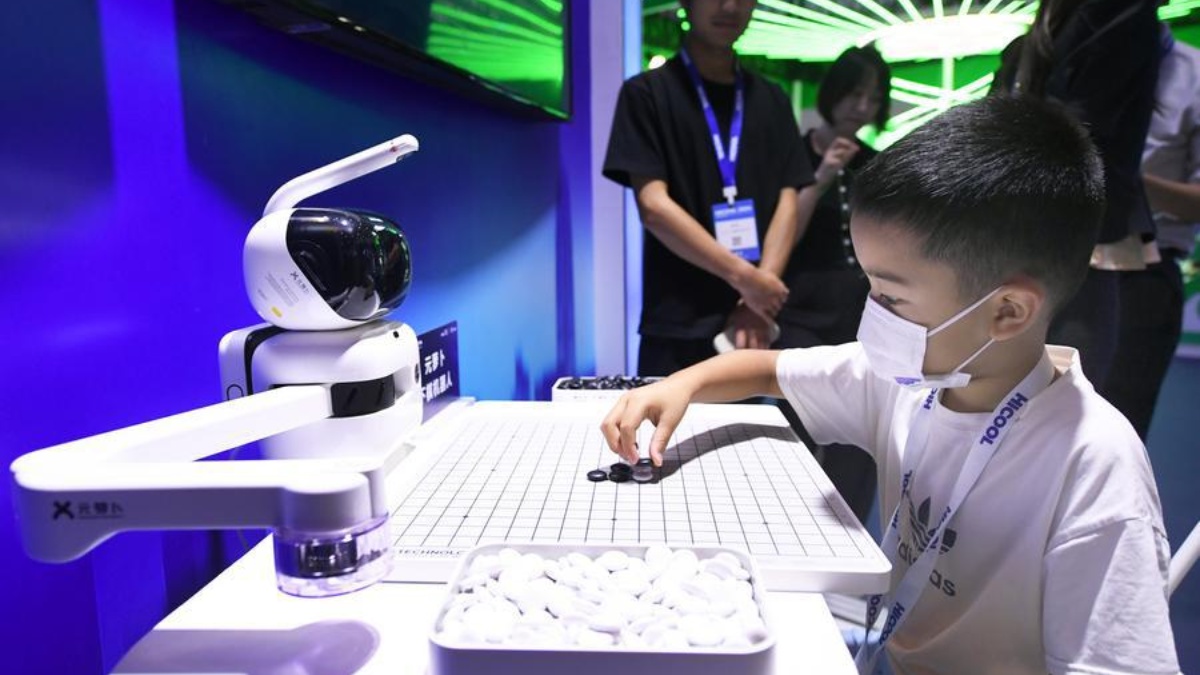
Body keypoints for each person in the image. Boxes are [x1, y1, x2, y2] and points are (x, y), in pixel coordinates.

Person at [600, 95, 1180, 674]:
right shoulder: (911, 379)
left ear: (1007, 312)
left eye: (891, 296)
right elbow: (768, 370)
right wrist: (679, 385)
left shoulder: (1095, 466)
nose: (873, 312)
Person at [603, 0, 812, 376]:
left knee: (757, 433)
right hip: (677, 320)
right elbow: (653, 206)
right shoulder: (646, 94)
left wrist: (757, 300)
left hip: (754, 323)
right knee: (663, 435)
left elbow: (788, 198)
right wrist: (747, 280)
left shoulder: (773, 99)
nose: (729, 6)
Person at [992, 0, 1162, 388]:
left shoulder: (1121, 13)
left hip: (1079, 234)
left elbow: (1081, 123)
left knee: (1061, 397)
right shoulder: (1038, 34)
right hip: (1028, 236)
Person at [774, 45, 891, 525]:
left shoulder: (878, 164)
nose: (861, 107)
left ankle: (849, 540)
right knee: (794, 427)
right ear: (833, 93)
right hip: (801, 310)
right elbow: (782, 238)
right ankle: (783, 531)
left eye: (873, 97)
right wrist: (820, 178)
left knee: (862, 434)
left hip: (864, 315)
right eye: (854, 94)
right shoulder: (793, 156)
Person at [1105, 24, 1200, 439]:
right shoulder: (1065, 59)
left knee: (1115, 434)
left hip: (1143, 273)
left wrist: (1125, 179)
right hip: (1053, 265)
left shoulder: (1192, 73)